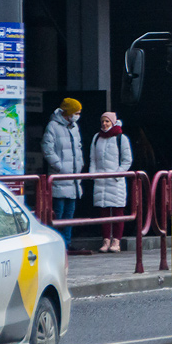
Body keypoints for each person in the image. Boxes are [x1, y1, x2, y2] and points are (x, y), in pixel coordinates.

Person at [43, 98, 84, 249]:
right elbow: (48, 150)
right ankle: (56, 244)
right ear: (68, 112)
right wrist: (59, 166)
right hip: (60, 176)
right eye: (76, 112)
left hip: (73, 178)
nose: (78, 115)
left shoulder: (74, 127)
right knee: (58, 213)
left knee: (70, 215)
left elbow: (78, 147)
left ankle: (67, 243)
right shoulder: (53, 127)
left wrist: (79, 164)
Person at [89, 112, 133, 252]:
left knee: (118, 211)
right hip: (101, 181)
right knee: (104, 211)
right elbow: (93, 159)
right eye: (102, 121)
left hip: (116, 181)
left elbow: (127, 160)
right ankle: (106, 240)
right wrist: (93, 175)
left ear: (113, 122)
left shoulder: (121, 138)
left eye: (107, 121)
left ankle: (116, 241)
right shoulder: (97, 138)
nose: (104, 124)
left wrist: (118, 174)